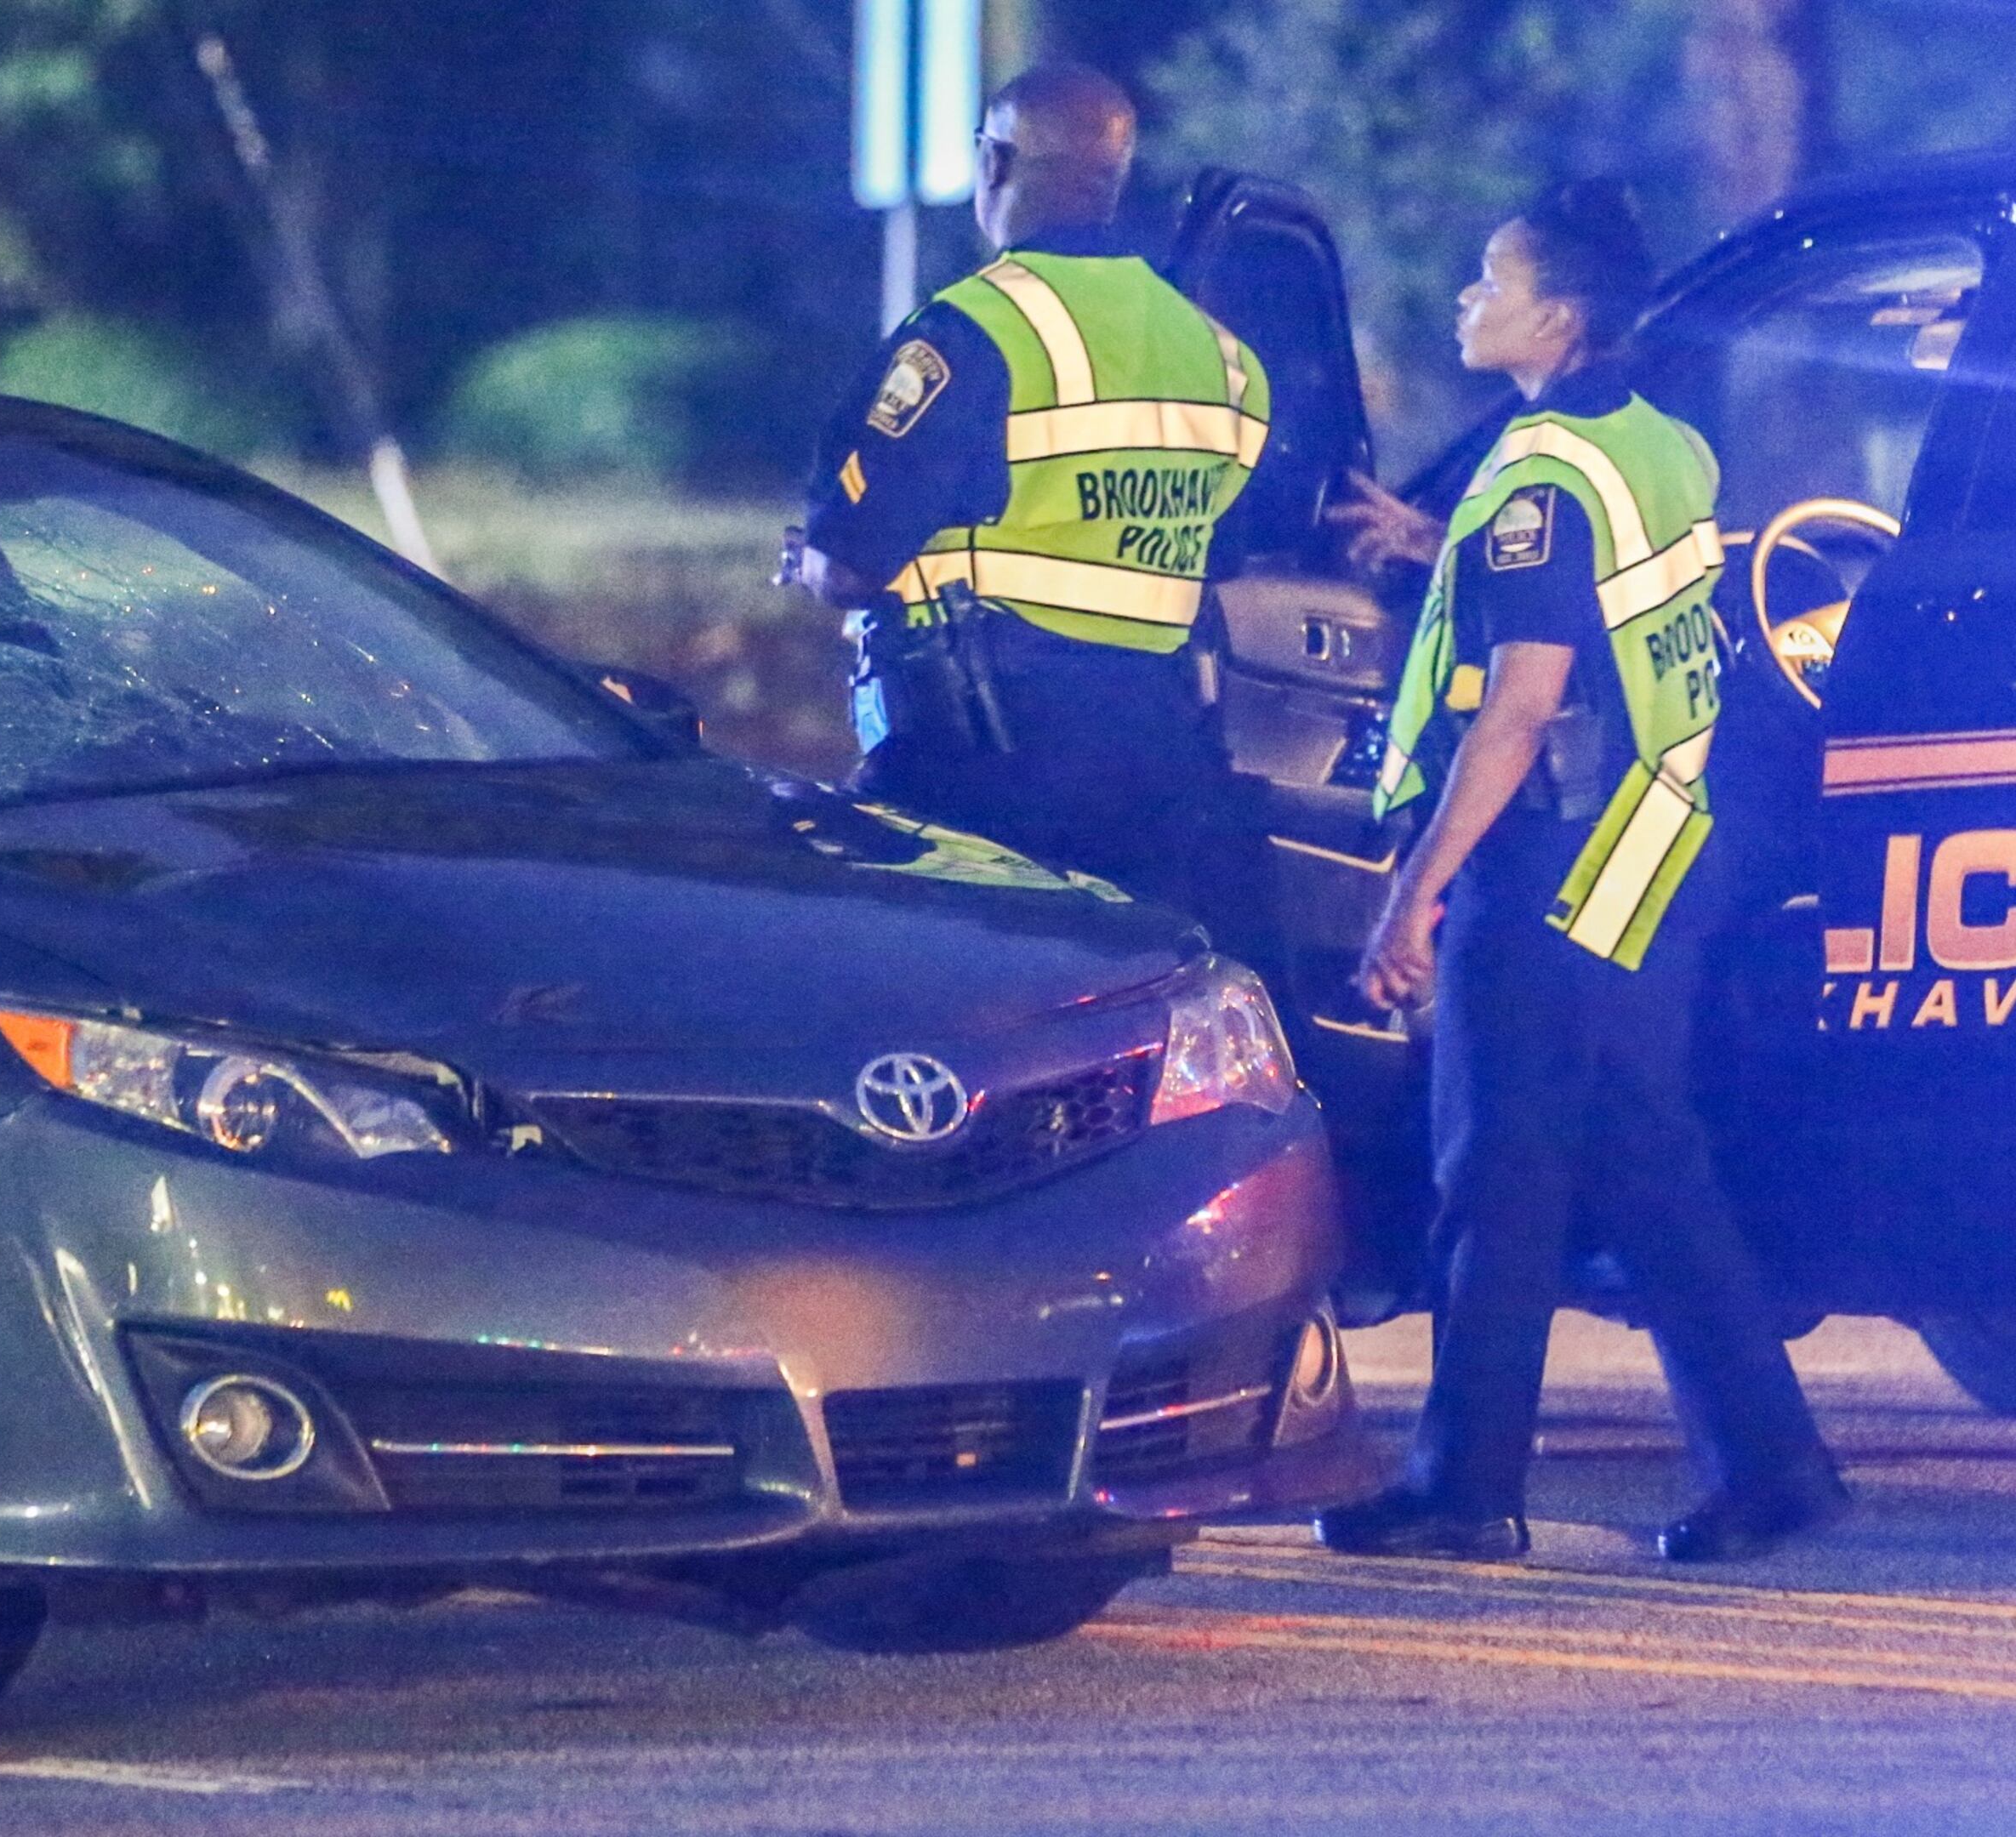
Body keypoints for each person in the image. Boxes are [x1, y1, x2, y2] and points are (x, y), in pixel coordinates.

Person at [1313, 183, 1848, 1565]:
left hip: (1548, 858)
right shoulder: (1659, 442)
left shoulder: (1536, 475)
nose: (1464, 299)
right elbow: (1618, 596)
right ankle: (1774, 1465)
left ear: (1556, 314)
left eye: (1490, 279)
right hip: (1657, 841)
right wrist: (1443, 551)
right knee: (1649, 1166)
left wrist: (1413, 892)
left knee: (1493, 1171)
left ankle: (1463, 1489)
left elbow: (1516, 710)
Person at [790, 62, 1270, 924]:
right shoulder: (1225, 361)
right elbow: (1214, 550)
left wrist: (809, 560)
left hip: (983, 764)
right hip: (1159, 760)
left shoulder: (972, 331)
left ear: (996, 165)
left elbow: (848, 568)